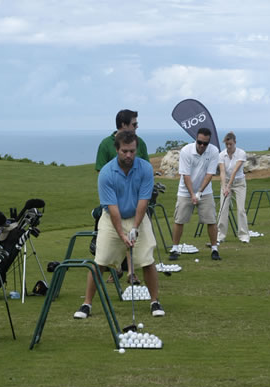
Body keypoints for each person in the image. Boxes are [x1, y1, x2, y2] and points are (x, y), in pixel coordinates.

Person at [74, 130, 165, 319]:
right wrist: (122, 234)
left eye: (132, 151)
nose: (129, 155)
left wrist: (135, 228)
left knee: (147, 259)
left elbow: (143, 201)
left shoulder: (146, 168)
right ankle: (86, 304)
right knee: (101, 260)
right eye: (125, 151)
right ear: (117, 149)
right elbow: (113, 208)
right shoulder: (106, 173)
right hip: (111, 218)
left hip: (137, 216)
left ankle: (154, 301)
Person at [94, 109, 150, 284]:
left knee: (134, 237)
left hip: (135, 202)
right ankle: (116, 269)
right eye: (134, 124)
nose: (137, 126)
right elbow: (102, 171)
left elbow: (144, 168)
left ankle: (131, 272)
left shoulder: (140, 143)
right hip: (112, 201)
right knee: (112, 241)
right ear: (123, 125)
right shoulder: (105, 144)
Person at [169, 127, 221, 261]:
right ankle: (174, 248)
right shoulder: (186, 151)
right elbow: (185, 175)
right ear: (196, 140)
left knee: (211, 220)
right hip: (185, 191)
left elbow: (210, 174)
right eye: (200, 142)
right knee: (179, 220)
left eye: (205, 143)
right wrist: (192, 194)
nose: (202, 146)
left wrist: (199, 192)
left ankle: (214, 249)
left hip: (205, 191)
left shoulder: (214, 151)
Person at [217, 132, 250, 243]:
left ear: (235, 142)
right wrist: (224, 187)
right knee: (223, 209)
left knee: (241, 209)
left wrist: (229, 185)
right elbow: (222, 172)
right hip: (226, 182)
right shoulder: (221, 155)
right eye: (227, 144)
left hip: (239, 183)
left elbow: (235, 171)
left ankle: (244, 236)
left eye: (231, 144)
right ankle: (220, 236)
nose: (229, 146)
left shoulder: (241, 153)